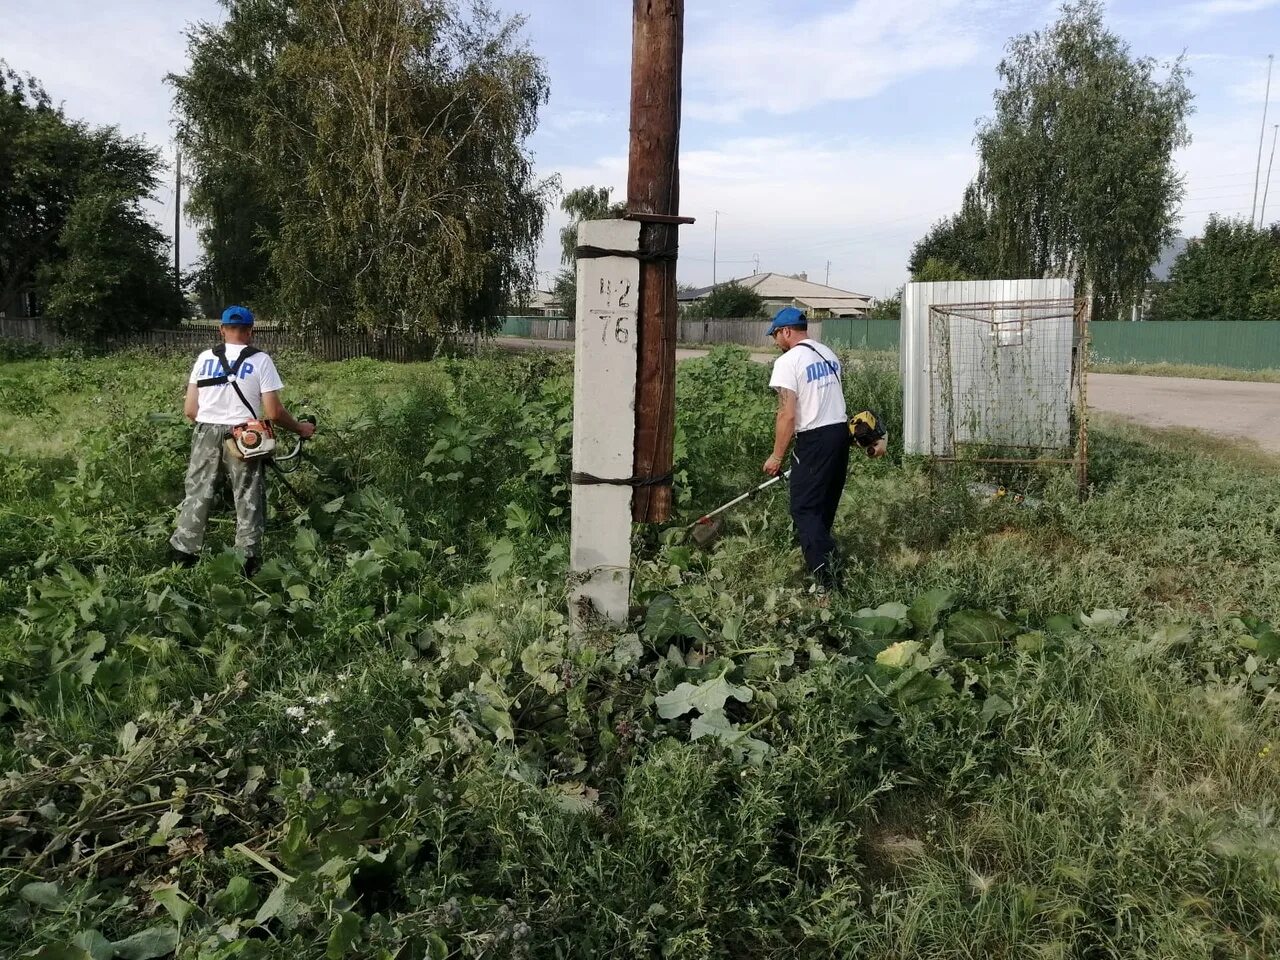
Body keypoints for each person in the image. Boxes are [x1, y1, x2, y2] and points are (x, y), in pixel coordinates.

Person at [169, 305, 315, 575]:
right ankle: (247, 561)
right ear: (250, 331)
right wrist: (300, 428)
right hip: (245, 435)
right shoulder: (261, 360)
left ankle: (183, 554)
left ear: (222, 329)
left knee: (197, 494)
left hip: (206, 431)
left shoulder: (203, 358)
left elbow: (190, 410)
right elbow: (273, 412)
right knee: (248, 496)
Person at [762, 306, 886, 590]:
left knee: (804, 510)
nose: (775, 342)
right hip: (838, 436)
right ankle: (821, 565)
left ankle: (828, 584)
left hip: (814, 440)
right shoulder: (826, 353)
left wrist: (776, 456)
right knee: (823, 508)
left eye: (775, 336)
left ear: (786, 332)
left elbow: (787, 414)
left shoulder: (789, 361)